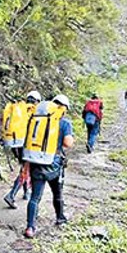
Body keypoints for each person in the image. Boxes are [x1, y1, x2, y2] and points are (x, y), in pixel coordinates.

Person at [24, 94, 74, 238]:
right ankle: (60, 218)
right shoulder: (64, 123)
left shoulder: (37, 120)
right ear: (64, 108)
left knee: (35, 197)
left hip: (35, 162)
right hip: (53, 164)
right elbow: (68, 143)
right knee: (57, 193)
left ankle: (30, 227)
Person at [3, 90, 42, 208]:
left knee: (25, 167)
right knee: (26, 170)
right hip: (27, 145)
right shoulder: (34, 112)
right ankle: (11, 195)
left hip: (15, 144)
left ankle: (26, 192)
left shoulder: (20, 110)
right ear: (38, 101)